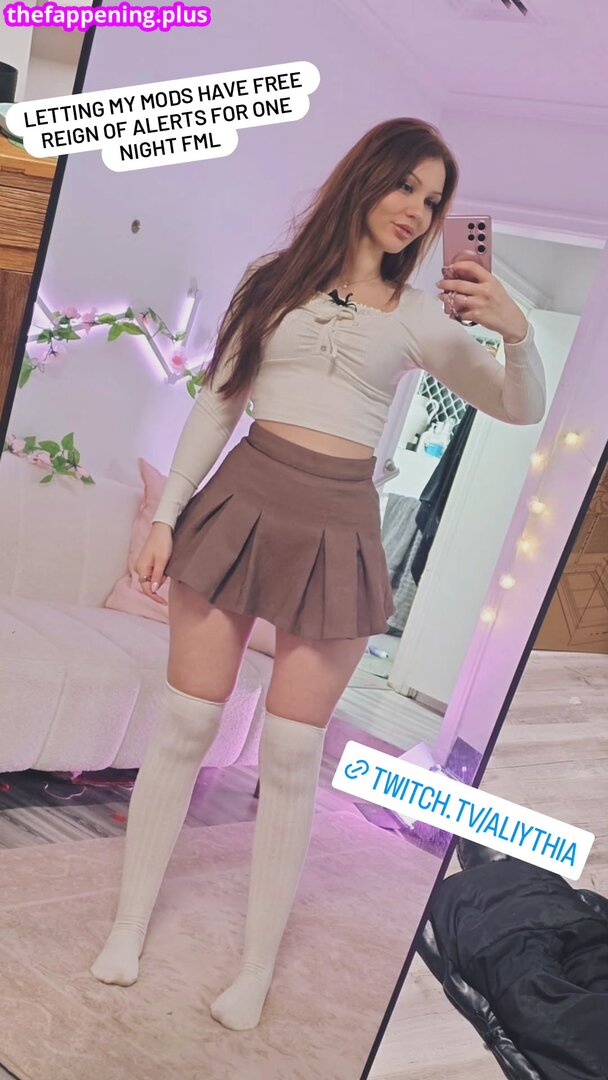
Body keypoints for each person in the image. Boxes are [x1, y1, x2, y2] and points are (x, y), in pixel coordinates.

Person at [90, 117, 546, 1030]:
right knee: (186, 726)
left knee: (294, 754)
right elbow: (218, 404)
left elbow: (518, 406)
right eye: (406, 185)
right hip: (242, 500)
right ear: (365, 178)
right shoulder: (274, 281)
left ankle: (256, 969)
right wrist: (167, 515)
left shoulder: (421, 316)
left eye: (433, 200)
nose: (417, 210)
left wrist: (517, 333)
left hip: (339, 526)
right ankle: (128, 928)